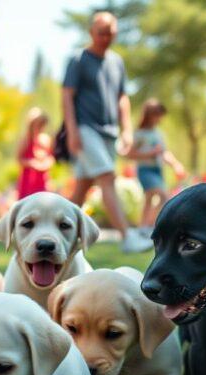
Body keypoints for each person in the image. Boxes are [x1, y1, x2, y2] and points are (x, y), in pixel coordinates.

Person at [62, 11, 151, 254]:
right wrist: (72, 131)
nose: (105, 38)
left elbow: (123, 97)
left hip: (109, 132)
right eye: (101, 33)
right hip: (85, 128)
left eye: (110, 33)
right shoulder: (78, 59)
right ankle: (127, 236)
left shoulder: (116, 62)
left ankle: (62, 236)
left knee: (82, 187)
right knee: (108, 177)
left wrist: (127, 130)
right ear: (92, 32)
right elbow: (67, 95)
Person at [125, 99, 185, 235]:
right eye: (157, 115)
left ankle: (143, 227)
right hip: (145, 170)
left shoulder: (158, 133)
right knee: (163, 196)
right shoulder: (140, 134)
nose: (159, 119)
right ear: (149, 115)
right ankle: (150, 225)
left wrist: (175, 165)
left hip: (157, 170)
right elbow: (131, 154)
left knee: (149, 199)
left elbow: (164, 153)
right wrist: (150, 153)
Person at [17, 108, 54, 199]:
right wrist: (32, 163)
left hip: (42, 180)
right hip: (28, 180)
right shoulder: (25, 140)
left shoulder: (46, 139)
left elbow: (51, 157)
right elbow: (19, 159)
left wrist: (46, 164)